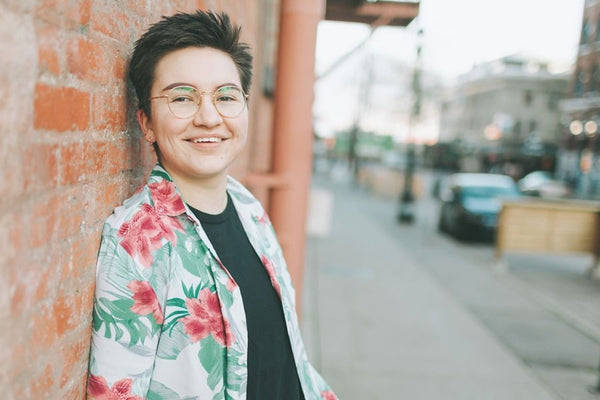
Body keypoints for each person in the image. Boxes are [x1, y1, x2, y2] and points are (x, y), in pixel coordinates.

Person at [86, 10, 338, 400]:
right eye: (182, 98)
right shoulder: (135, 244)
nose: (209, 117)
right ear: (147, 123)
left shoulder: (248, 206)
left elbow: (288, 358)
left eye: (225, 96)